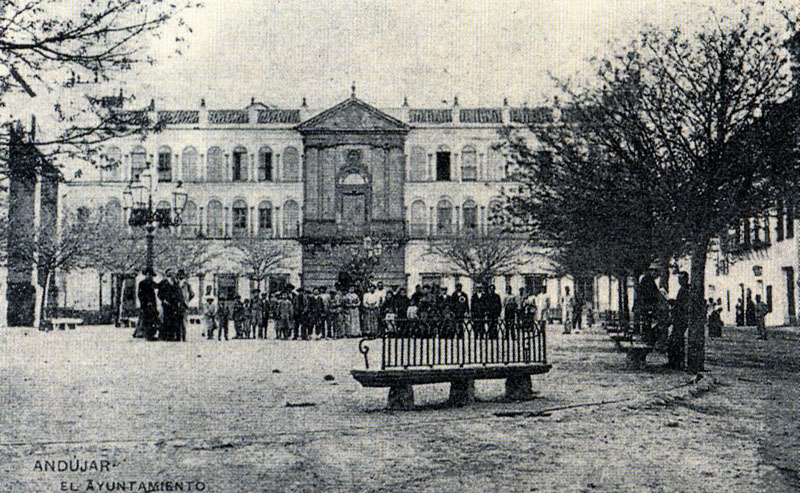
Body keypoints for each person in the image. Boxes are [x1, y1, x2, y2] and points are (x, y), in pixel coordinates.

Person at [137, 268, 159, 341]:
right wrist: (145, 302)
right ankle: (146, 334)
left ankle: (152, 333)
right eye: (148, 275)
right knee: (146, 319)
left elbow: (159, 287)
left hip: (153, 304)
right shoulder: (142, 284)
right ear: (146, 275)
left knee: (153, 319)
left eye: (151, 275)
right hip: (145, 305)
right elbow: (140, 294)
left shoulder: (152, 283)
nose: (150, 276)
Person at [176, 269, 193, 342]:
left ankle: (183, 337)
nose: (180, 276)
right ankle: (178, 337)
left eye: (182, 275)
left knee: (183, 321)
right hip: (176, 304)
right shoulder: (176, 283)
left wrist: (187, 300)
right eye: (179, 275)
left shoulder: (187, 284)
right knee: (177, 321)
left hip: (183, 304)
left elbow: (192, 294)